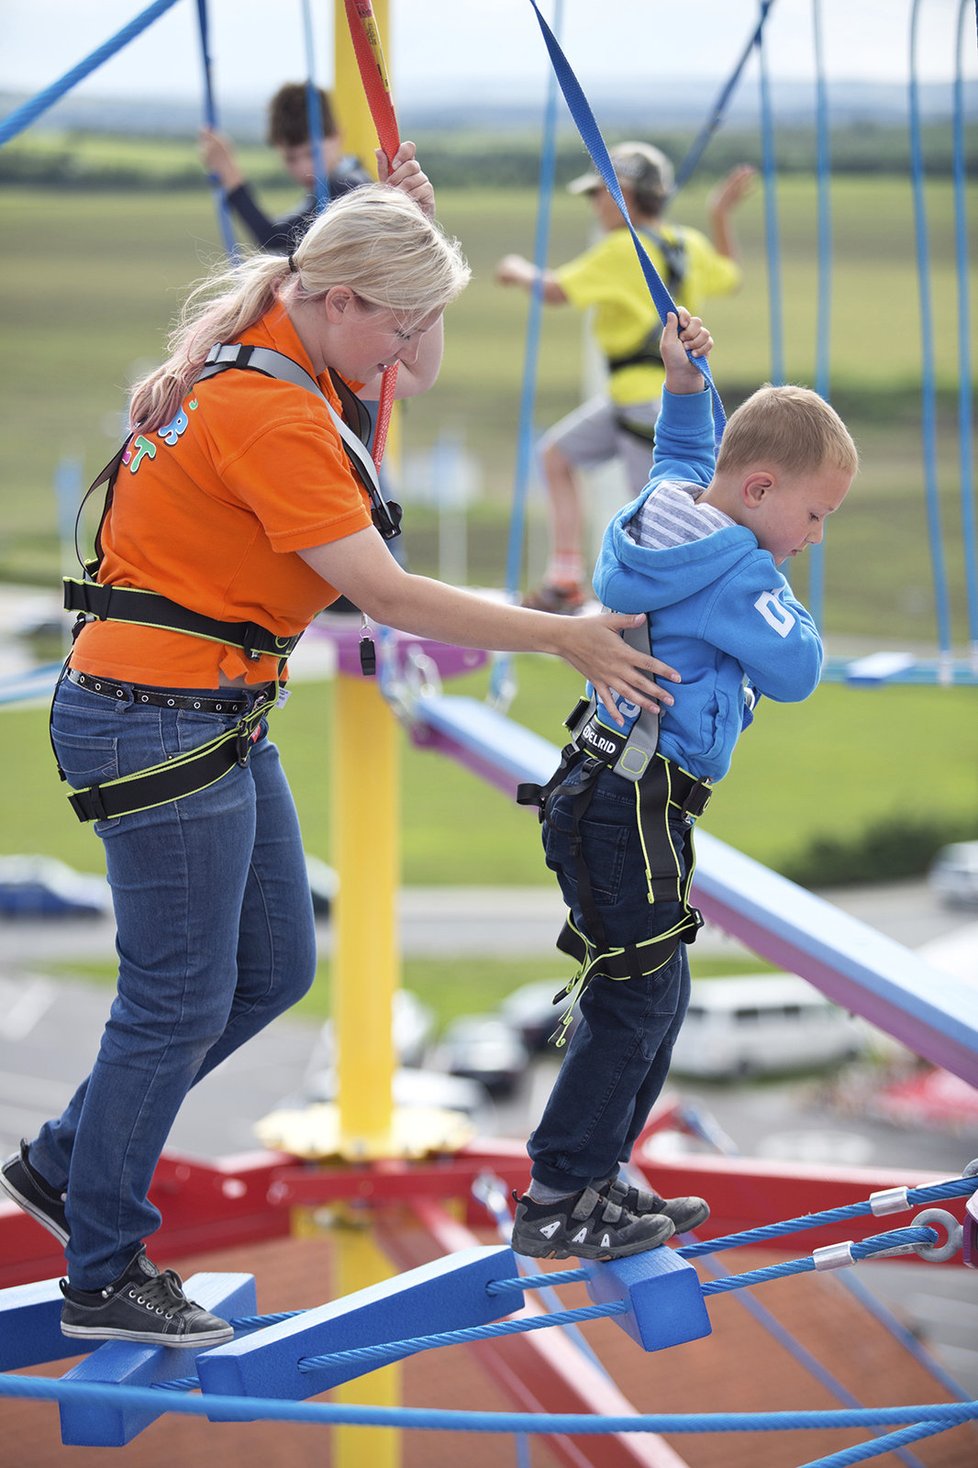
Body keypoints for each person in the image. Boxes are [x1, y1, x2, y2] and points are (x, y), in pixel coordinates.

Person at [0, 144, 683, 1348]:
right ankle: (103, 1267)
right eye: (398, 324)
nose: (409, 357)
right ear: (342, 300)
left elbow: (397, 355)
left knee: (270, 969)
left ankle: (70, 1162)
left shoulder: (286, 318)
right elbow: (390, 596)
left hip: (200, 710)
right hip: (159, 718)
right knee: (174, 998)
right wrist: (564, 636)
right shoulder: (270, 412)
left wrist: (407, 224)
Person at [512, 310, 858, 1260]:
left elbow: (683, 447)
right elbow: (798, 670)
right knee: (639, 996)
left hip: (609, 788)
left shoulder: (665, 507)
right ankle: (558, 1192)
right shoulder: (737, 575)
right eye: (815, 515)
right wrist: (774, 588)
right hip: (633, 801)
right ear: (759, 490)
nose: (815, 538)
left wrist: (683, 378)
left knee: (655, 990)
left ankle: (599, 1172)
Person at [495, 142, 754, 614]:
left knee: (655, 518)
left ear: (623, 196)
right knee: (557, 454)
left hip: (641, 403)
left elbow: (555, 290)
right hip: (649, 397)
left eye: (598, 194)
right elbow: (732, 274)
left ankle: (658, 610)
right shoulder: (686, 244)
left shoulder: (619, 249)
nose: (595, 205)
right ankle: (564, 577)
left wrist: (516, 271)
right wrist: (720, 213)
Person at [199, 81, 373, 254]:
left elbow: (274, 238)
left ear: (337, 137)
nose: (304, 168)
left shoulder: (345, 187)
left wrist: (229, 174)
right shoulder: (356, 177)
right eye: (290, 158)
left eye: (311, 153)